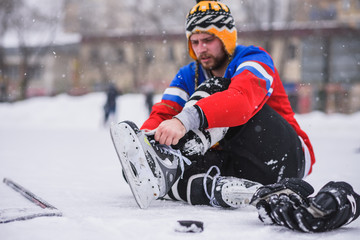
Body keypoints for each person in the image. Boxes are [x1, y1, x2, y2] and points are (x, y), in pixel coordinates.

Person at [110, 0, 360, 232]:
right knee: (147, 171)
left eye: (208, 40)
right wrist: (144, 146)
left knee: (219, 88)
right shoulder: (189, 73)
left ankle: (176, 176)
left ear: (226, 37)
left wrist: (183, 121)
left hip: (286, 154)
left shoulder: (254, 58)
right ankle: (233, 191)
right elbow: (164, 112)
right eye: (194, 42)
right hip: (237, 162)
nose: (201, 49)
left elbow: (240, 101)